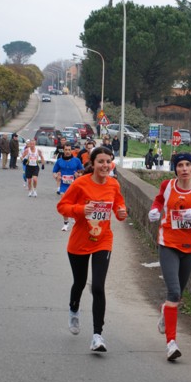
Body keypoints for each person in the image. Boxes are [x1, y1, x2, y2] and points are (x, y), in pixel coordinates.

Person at [148, 152, 191, 361]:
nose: (184, 169)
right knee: (174, 291)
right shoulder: (167, 186)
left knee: (176, 296)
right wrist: (154, 210)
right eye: (180, 165)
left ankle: (165, 310)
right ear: (175, 168)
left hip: (190, 246)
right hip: (168, 242)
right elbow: (159, 200)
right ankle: (171, 343)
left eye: (188, 165)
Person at [57, 146, 128, 352]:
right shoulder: (80, 184)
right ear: (93, 164)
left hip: (103, 241)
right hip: (79, 241)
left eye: (108, 162)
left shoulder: (114, 184)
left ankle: (97, 336)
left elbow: (119, 207)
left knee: (98, 286)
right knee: (79, 283)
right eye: (101, 162)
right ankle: (73, 310)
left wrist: (122, 213)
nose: (105, 165)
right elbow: (62, 206)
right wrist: (80, 209)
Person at [52, 142, 84, 231]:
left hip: (74, 186)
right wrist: (56, 177)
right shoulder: (59, 161)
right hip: (64, 185)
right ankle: (66, 223)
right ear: (63, 150)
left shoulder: (76, 161)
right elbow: (54, 171)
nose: (67, 152)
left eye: (69, 150)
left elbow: (82, 172)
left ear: (71, 150)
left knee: (73, 204)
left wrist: (79, 174)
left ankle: (73, 216)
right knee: (64, 204)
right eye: (66, 150)